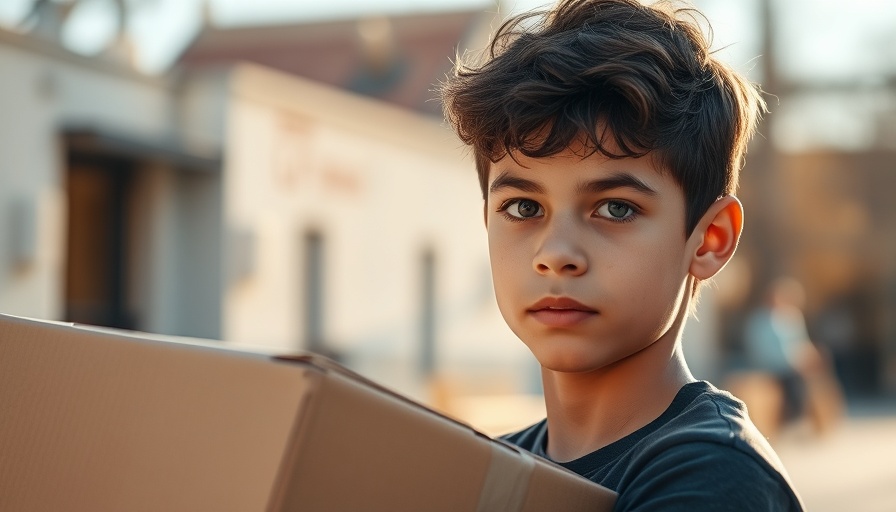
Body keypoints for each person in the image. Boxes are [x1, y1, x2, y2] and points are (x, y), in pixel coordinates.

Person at [438, 0, 804, 510]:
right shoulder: (493, 471)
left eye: (615, 208)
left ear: (709, 239)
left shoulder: (714, 474)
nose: (556, 254)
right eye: (523, 207)